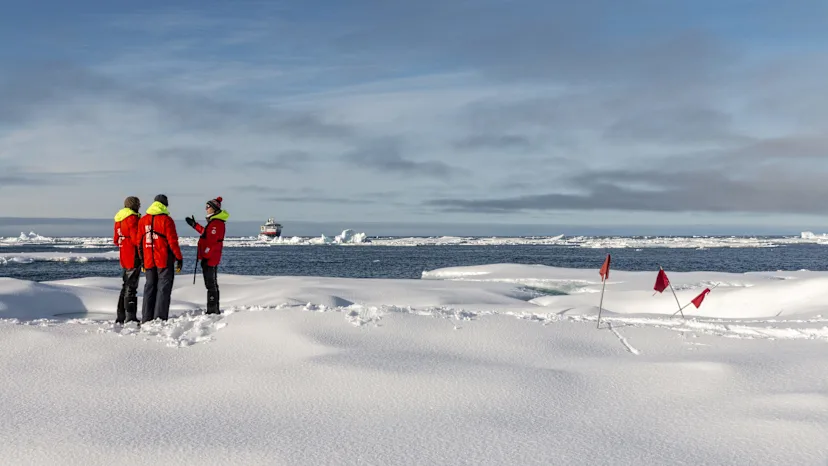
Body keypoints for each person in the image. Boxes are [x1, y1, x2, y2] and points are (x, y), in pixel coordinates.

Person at [138, 194, 183, 322]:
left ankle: (147, 318)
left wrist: (142, 260)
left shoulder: (143, 220)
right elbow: (172, 242)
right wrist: (179, 258)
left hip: (148, 260)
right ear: (165, 205)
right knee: (163, 289)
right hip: (164, 259)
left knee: (149, 287)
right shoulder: (167, 220)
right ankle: (160, 318)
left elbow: (139, 242)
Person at [186, 196, 229, 315]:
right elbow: (206, 234)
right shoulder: (213, 222)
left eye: (208, 207)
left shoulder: (216, 223)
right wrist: (195, 225)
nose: (206, 209)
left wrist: (205, 256)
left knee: (210, 283)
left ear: (214, 209)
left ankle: (212, 310)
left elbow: (212, 242)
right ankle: (213, 308)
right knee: (211, 282)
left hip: (210, 258)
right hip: (211, 257)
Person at [113, 196, 142, 324]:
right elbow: (136, 239)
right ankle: (130, 316)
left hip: (124, 255)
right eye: (138, 204)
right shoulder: (132, 218)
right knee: (131, 286)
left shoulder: (119, 219)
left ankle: (121, 315)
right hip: (133, 255)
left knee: (125, 285)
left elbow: (116, 240)